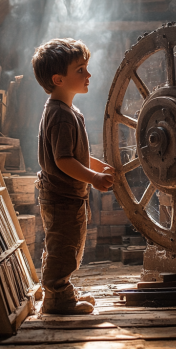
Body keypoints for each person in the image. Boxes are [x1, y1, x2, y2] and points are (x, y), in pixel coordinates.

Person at [31, 38, 115, 315]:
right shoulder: (62, 116)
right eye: (80, 70)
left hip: (67, 196)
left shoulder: (67, 111)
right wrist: (92, 177)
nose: (88, 74)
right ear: (59, 79)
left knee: (67, 244)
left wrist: (96, 166)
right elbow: (63, 160)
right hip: (61, 196)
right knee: (64, 247)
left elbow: (74, 155)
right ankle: (57, 298)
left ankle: (61, 288)